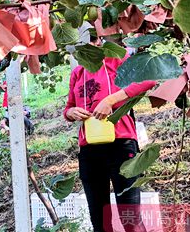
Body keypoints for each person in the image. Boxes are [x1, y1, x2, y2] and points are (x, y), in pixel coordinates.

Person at [64, 44, 155, 232]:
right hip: (89, 150)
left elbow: (148, 80)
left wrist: (110, 100)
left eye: (95, 41)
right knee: (99, 219)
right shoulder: (78, 72)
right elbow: (68, 107)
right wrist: (72, 112)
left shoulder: (116, 61)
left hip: (120, 145)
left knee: (130, 218)